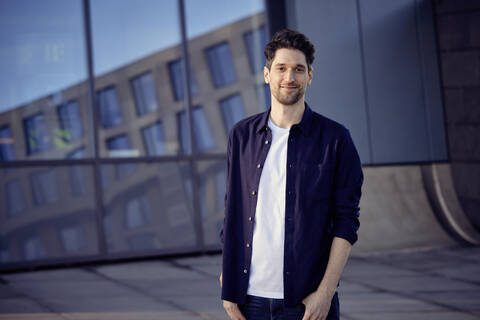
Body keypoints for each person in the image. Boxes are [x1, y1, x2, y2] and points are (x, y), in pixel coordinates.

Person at [219, 29, 363, 320]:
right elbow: (233, 212)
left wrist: (325, 292)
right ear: (266, 74)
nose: (289, 77)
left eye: (299, 69)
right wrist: (227, 283)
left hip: (307, 302)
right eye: (281, 68)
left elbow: (346, 222)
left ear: (310, 75)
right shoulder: (241, 136)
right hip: (250, 300)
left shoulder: (335, 139)